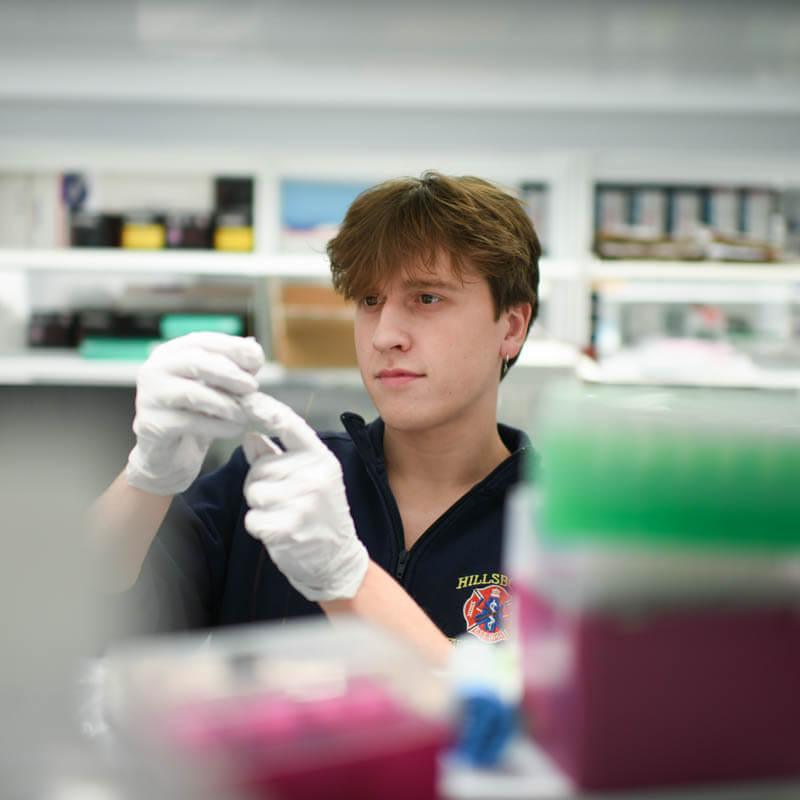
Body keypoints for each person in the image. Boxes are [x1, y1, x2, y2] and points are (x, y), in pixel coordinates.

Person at [91, 171, 540, 663]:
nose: (384, 335)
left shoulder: (562, 522)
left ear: (512, 327)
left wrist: (348, 577)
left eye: (427, 298)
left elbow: (531, 725)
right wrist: (147, 478)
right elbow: (79, 615)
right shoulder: (272, 483)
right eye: (370, 301)